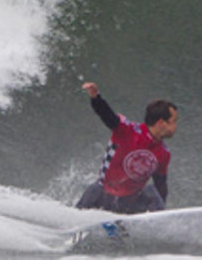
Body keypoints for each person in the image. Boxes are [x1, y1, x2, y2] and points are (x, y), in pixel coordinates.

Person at [75, 81, 178, 214]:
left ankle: (154, 223)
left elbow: (161, 186)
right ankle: (74, 222)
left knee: (152, 193)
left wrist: (163, 215)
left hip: (129, 204)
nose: (175, 127)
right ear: (160, 123)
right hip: (102, 197)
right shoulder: (128, 130)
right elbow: (108, 116)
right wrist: (96, 98)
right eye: (173, 121)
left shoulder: (163, 153)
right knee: (94, 190)